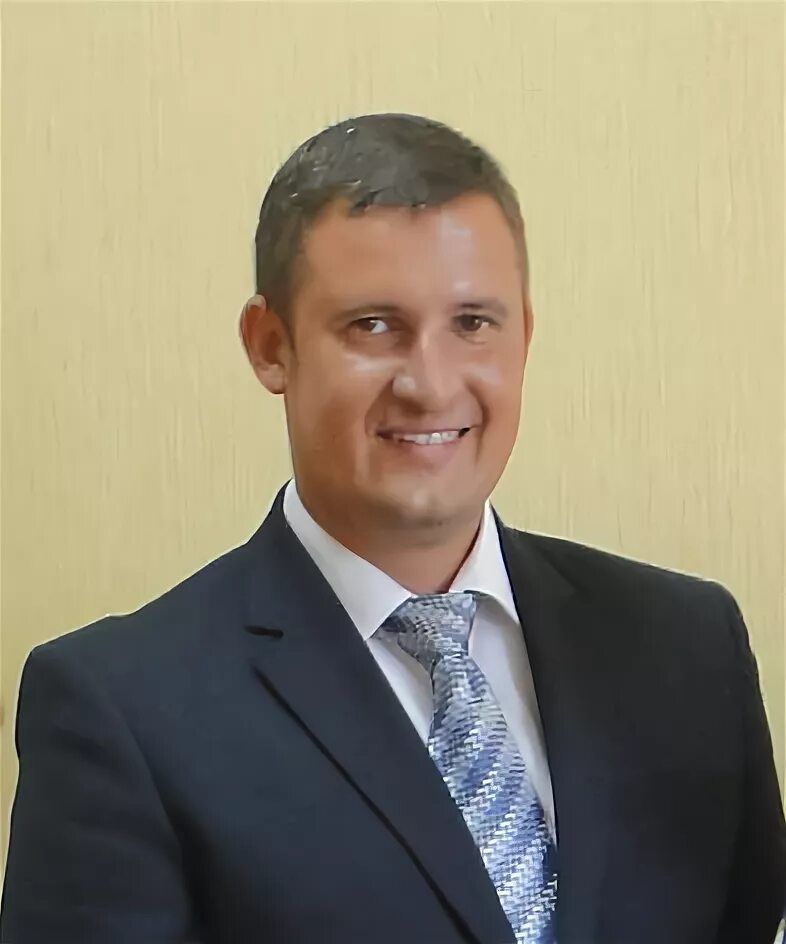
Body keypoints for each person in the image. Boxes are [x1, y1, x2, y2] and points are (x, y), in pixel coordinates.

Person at [1, 112, 784, 944]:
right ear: (270, 344)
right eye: (373, 326)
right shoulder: (121, 711)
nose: (431, 384)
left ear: (524, 336)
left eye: (473, 323)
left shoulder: (688, 648)